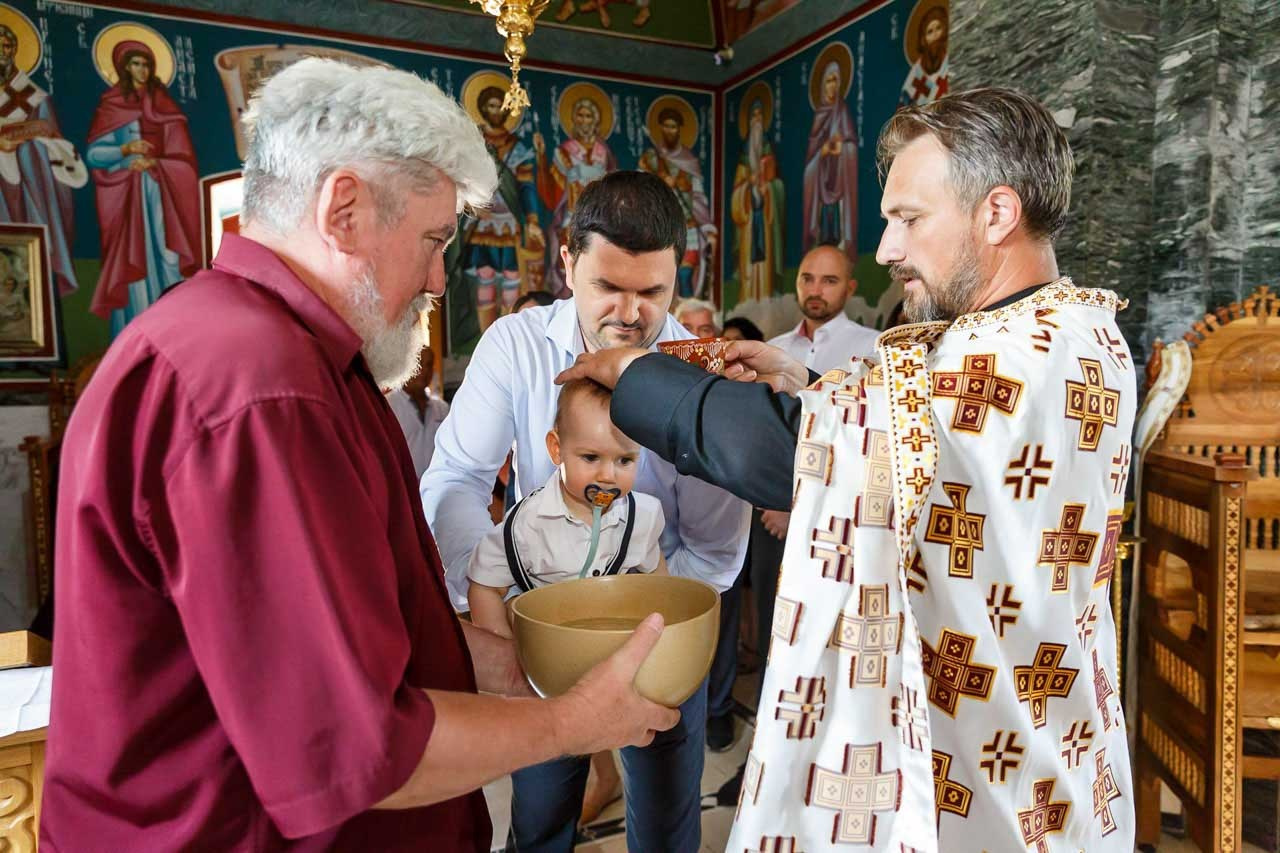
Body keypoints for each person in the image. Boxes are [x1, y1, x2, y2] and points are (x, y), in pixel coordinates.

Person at [42, 58, 679, 852]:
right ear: (344, 209)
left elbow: (366, 633)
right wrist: (568, 723)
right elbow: (361, 747)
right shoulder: (262, 390)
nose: (440, 278)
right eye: (433, 240)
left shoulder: (299, 360)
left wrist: (521, 663)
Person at [558, 87, 1135, 851]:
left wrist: (636, 373)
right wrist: (807, 386)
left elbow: (790, 453)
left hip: (979, 764)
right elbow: (926, 444)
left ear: (995, 214)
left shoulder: (1012, 359)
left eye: (909, 219)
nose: (889, 249)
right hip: (1036, 721)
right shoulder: (1076, 332)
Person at [422, 169, 750, 851]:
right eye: (608, 287)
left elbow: (713, 551)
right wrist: (501, 590)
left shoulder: (699, 378)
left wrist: (632, 617)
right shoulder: (516, 348)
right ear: (569, 265)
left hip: (664, 637)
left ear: (676, 277)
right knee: (540, 812)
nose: (629, 314)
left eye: (651, 292)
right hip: (542, 633)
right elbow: (457, 475)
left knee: (665, 822)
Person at [468, 377, 666, 629]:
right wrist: (503, 649)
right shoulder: (529, 524)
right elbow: (484, 585)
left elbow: (659, 580)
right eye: (591, 457)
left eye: (624, 460)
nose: (608, 476)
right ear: (556, 449)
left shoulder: (642, 517)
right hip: (547, 652)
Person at [86, 39, 201, 336]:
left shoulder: (166, 105)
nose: (142, 69)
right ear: (124, 67)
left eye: (146, 63)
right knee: (134, 264)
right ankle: (137, 334)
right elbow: (95, 154)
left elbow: (185, 160)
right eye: (135, 63)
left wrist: (156, 164)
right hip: (127, 197)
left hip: (163, 192)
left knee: (168, 257)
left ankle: (176, 332)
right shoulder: (112, 104)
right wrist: (126, 152)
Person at [0, 23, 86, 295]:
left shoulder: (34, 97)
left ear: (14, 51)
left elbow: (53, 142)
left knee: (30, 152)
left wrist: (17, 144)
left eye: (6, 46)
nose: (2, 51)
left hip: (23, 187)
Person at [534, 94, 617, 297]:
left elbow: (615, 189)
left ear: (596, 121)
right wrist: (541, 157)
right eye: (580, 115)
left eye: (589, 116)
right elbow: (551, 192)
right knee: (570, 273)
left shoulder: (604, 153)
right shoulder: (564, 152)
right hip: (571, 220)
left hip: (604, 224)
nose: (584, 120)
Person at [639, 106, 717, 299]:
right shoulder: (650, 159)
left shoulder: (689, 161)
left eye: (673, 127)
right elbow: (638, 193)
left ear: (679, 129)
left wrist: (707, 228)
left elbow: (698, 197)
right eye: (666, 126)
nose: (670, 130)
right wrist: (660, 181)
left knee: (684, 274)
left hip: (687, 226)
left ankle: (683, 321)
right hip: (657, 228)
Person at [803, 58, 858, 263]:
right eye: (828, 81)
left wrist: (842, 148)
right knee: (824, 226)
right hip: (822, 180)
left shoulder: (843, 112)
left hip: (839, 181)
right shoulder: (820, 115)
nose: (832, 85)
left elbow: (851, 142)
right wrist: (823, 151)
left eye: (835, 80)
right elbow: (811, 156)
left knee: (836, 224)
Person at [730, 97, 784, 303]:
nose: (757, 120)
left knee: (765, 263)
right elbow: (736, 192)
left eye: (760, 116)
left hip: (765, 217)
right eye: (753, 116)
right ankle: (748, 299)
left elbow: (777, 186)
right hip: (750, 221)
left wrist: (767, 189)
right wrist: (747, 188)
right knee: (749, 267)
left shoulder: (769, 154)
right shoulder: (744, 156)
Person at [387, 347, 450, 480]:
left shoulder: (442, 409)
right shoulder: (388, 406)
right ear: (406, 365)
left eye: (429, 365)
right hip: (403, 492)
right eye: (419, 363)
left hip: (435, 492)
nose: (425, 370)